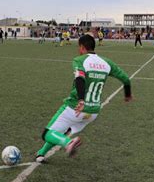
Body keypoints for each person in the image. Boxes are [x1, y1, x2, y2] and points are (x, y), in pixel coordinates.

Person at [35, 35, 133, 163]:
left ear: (82, 47)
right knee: (62, 132)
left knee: (47, 134)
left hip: (76, 108)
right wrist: (127, 94)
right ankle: (41, 154)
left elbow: (80, 78)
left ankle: (69, 143)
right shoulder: (106, 63)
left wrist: (81, 100)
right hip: (92, 112)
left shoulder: (80, 60)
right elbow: (125, 78)